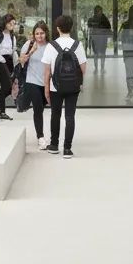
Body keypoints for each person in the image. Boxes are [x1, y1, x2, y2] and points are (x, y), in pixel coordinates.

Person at [43, 15, 87, 158]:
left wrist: (46, 89)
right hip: (73, 87)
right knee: (70, 116)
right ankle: (67, 149)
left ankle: (54, 145)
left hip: (55, 87)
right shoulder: (77, 45)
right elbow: (83, 68)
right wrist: (79, 82)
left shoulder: (51, 46)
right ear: (71, 28)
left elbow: (47, 71)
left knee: (55, 115)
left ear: (57, 29)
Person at [18, 20, 50, 149]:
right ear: (33, 35)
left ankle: (23, 103)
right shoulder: (29, 44)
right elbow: (21, 61)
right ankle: (40, 137)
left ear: (46, 34)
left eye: (42, 33)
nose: (39, 36)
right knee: (38, 109)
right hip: (32, 81)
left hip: (46, 82)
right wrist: (31, 51)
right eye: (37, 33)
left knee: (41, 107)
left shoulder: (51, 46)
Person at [0, 13, 18, 120]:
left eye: (14, 23)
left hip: (8, 61)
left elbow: (13, 51)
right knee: (7, 85)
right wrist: (2, 60)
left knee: (7, 87)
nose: (12, 25)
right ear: (5, 23)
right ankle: (1, 111)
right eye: (10, 23)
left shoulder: (12, 36)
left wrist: (17, 61)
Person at [86, 5, 112, 73]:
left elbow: (108, 28)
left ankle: (101, 68)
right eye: (98, 11)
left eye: (100, 11)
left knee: (100, 53)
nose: (99, 12)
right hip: (97, 39)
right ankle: (97, 68)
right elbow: (90, 29)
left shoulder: (103, 19)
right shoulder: (93, 19)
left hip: (101, 38)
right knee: (96, 54)